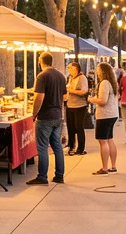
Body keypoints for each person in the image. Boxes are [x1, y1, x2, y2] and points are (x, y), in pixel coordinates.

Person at [31, 52, 67, 184]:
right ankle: (59, 175)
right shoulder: (61, 76)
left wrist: (34, 114)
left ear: (41, 61)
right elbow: (65, 96)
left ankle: (42, 176)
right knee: (57, 146)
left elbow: (39, 97)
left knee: (42, 147)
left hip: (45, 116)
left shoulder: (42, 76)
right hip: (57, 115)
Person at [91, 62, 119, 174]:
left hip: (104, 115)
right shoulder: (112, 83)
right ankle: (113, 166)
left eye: (98, 69)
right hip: (112, 114)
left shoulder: (104, 83)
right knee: (109, 139)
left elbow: (103, 100)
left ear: (102, 71)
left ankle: (104, 168)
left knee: (103, 141)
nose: (96, 72)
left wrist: (91, 99)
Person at [64, 61, 89, 156]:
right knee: (70, 127)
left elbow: (83, 91)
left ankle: (81, 148)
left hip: (79, 106)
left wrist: (71, 91)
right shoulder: (70, 78)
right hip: (70, 105)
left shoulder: (82, 78)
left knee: (79, 127)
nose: (68, 70)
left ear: (75, 68)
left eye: (69, 68)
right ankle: (71, 145)